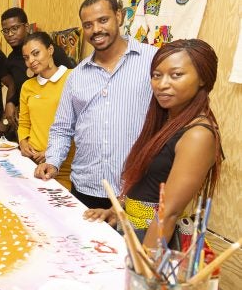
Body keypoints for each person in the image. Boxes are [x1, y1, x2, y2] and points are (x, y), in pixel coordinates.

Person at [84, 39, 223, 248]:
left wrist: (144, 270)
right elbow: (147, 183)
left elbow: (168, 214)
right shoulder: (166, 120)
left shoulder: (198, 135)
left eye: (176, 75)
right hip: (132, 231)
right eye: (157, 75)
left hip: (152, 243)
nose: (162, 84)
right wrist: (116, 212)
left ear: (202, 78)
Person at [34, 0, 158, 208]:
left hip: (138, 190)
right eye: (88, 25)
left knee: (136, 243)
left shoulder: (152, 61)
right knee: (87, 243)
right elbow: (62, 127)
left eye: (103, 20)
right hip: (86, 190)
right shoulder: (77, 75)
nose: (96, 30)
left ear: (119, 16)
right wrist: (53, 161)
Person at [17, 32, 74, 190]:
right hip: (32, 163)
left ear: (50, 50)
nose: (31, 61)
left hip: (63, 166)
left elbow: (82, 125)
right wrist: (23, 142)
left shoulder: (72, 78)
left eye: (36, 53)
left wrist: (51, 152)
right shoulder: (27, 86)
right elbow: (24, 123)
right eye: (26, 57)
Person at [0, 7, 76, 117]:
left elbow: (71, 82)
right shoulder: (11, 60)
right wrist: (11, 102)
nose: (10, 34)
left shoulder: (48, 50)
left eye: (15, 28)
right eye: (6, 31)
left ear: (26, 27)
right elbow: (19, 88)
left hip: (58, 114)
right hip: (30, 115)